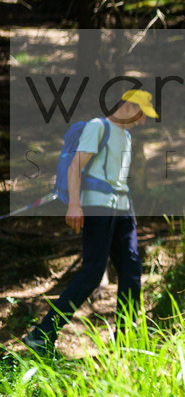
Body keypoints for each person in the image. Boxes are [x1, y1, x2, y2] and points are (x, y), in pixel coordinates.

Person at [21, 89, 159, 355]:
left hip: (122, 210)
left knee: (131, 269)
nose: (143, 121)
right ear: (129, 107)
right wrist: (74, 204)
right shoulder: (98, 127)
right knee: (93, 272)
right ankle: (42, 333)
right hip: (98, 208)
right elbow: (76, 167)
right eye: (142, 114)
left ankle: (127, 339)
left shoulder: (127, 136)